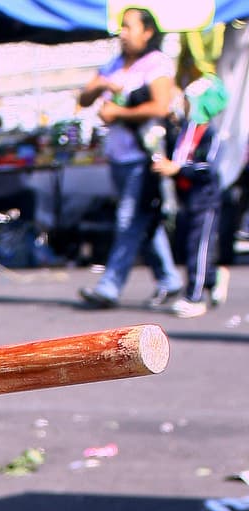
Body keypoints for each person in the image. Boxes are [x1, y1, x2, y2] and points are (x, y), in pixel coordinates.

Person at [77, 7, 184, 309]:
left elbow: (161, 107)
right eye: (121, 28)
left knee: (128, 220)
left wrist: (117, 112)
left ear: (147, 32)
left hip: (144, 156)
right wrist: (99, 85)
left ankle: (109, 287)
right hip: (119, 157)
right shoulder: (112, 64)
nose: (123, 33)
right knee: (142, 222)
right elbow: (83, 97)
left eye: (129, 27)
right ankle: (170, 280)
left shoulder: (156, 64)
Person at [153, 73, 228, 316]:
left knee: (199, 246)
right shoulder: (184, 131)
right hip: (187, 197)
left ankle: (194, 297)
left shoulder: (210, 134)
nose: (183, 105)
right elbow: (177, 159)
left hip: (206, 198)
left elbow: (208, 167)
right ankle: (214, 278)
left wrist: (179, 168)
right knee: (190, 245)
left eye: (188, 101)